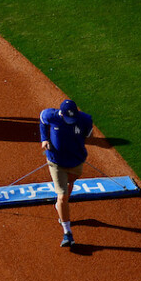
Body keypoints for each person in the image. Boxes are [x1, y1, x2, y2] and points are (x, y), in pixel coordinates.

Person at [40, 99, 93, 248]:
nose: (70, 121)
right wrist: (44, 139)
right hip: (56, 162)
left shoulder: (85, 119)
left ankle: (60, 206)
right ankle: (67, 233)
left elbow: (89, 135)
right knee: (63, 196)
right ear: (61, 113)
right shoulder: (51, 115)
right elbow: (42, 120)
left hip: (77, 162)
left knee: (71, 182)